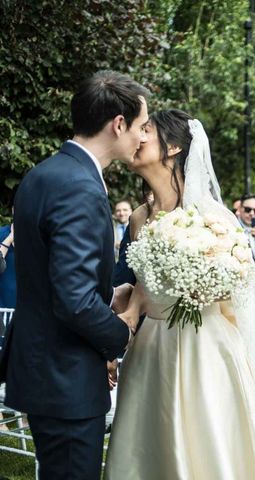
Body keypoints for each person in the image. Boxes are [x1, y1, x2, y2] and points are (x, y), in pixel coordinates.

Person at [106, 111, 255, 479]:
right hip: (150, 351)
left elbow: (237, 290)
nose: (137, 137)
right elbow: (138, 285)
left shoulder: (214, 219)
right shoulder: (138, 219)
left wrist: (199, 283)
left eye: (147, 130)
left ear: (172, 147)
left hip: (204, 351)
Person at [0, 71, 140, 480]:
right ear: (118, 124)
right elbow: (74, 301)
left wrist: (108, 293)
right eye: (139, 125)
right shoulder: (80, 187)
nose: (141, 136)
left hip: (43, 370)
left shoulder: (42, 175)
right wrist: (122, 331)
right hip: (67, 380)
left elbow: (52, 279)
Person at [0, 218, 16, 311]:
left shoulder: (37, 235)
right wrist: (9, 239)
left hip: (29, 313)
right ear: (13, 210)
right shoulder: (1, 233)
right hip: (2, 311)